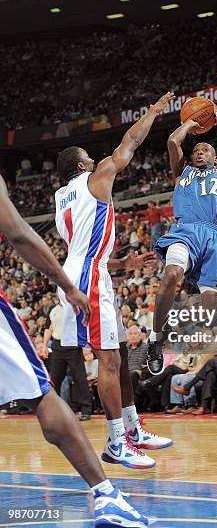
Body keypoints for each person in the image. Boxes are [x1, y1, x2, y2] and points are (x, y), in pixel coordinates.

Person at [0, 176, 151, 526]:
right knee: (43, 396)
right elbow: (18, 233)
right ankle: (107, 495)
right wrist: (67, 285)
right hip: (79, 282)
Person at [54, 92, 174, 471]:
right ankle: (116, 441)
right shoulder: (95, 177)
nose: (96, 159)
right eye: (89, 157)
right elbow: (130, 144)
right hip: (87, 274)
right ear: (81, 164)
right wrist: (154, 111)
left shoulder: (62, 197)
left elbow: (85, 244)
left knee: (118, 352)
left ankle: (133, 428)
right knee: (108, 359)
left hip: (88, 268)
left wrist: (120, 263)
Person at [147, 106, 217, 374]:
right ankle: (156, 338)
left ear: (216, 158)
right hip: (184, 231)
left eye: (205, 150)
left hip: (213, 237)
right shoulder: (181, 174)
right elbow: (173, 141)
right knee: (172, 274)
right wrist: (190, 123)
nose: (199, 152)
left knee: (212, 314)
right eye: (196, 150)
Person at [41, 298, 93, 420]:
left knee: (80, 379)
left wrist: (85, 344)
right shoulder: (52, 309)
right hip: (57, 346)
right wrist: (44, 345)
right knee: (55, 380)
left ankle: (86, 410)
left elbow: (84, 326)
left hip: (73, 345)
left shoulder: (76, 308)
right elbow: (48, 328)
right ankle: (54, 409)